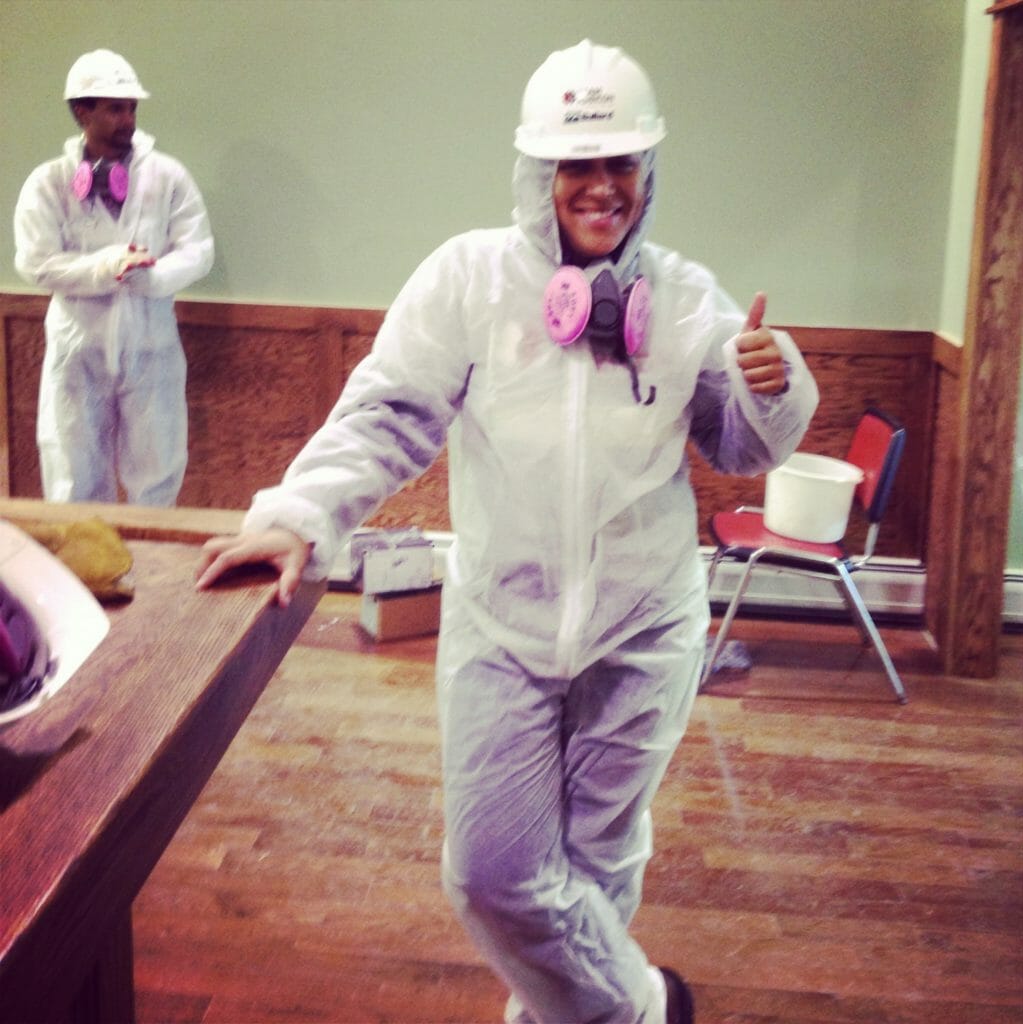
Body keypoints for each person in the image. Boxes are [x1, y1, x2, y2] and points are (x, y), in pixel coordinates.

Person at [196, 39, 818, 1024]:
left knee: (598, 854)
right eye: (579, 164)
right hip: (502, 629)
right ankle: (640, 1006)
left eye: (621, 162)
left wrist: (770, 382)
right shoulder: (467, 281)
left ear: (647, 171)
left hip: (644, 625)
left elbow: (739, 445)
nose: (601, 186)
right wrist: (297, 516)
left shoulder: (689, 296)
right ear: (538, 173)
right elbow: (385, 414)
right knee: (490, 874)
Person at [14, 48, 214, 506]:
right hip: (77, 349)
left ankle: (153, 566)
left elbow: (197, 249)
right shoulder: (48, 183)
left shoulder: (167, 177)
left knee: (158, 466)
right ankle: (82, 572)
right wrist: (106, 267)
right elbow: (37, 262)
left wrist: (154, 278)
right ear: (82, 111)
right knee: (72, 469)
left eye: (132, 108)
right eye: (115, 108)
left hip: (151, 347)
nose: (128, 119)